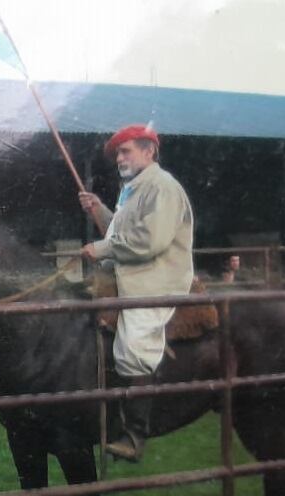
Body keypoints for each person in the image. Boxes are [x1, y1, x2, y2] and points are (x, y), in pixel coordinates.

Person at [78, 124, 195, 462]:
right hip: (131, 274)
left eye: (126, 150)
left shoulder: (162, 188)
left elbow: (148, 242)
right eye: (117, 153)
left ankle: (135, 436)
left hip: (156, 280)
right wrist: (98, 209)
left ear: (149, 151)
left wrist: (100, 250)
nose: (119, 157)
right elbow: (122, 229)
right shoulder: (135, 189)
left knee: (133, 344)